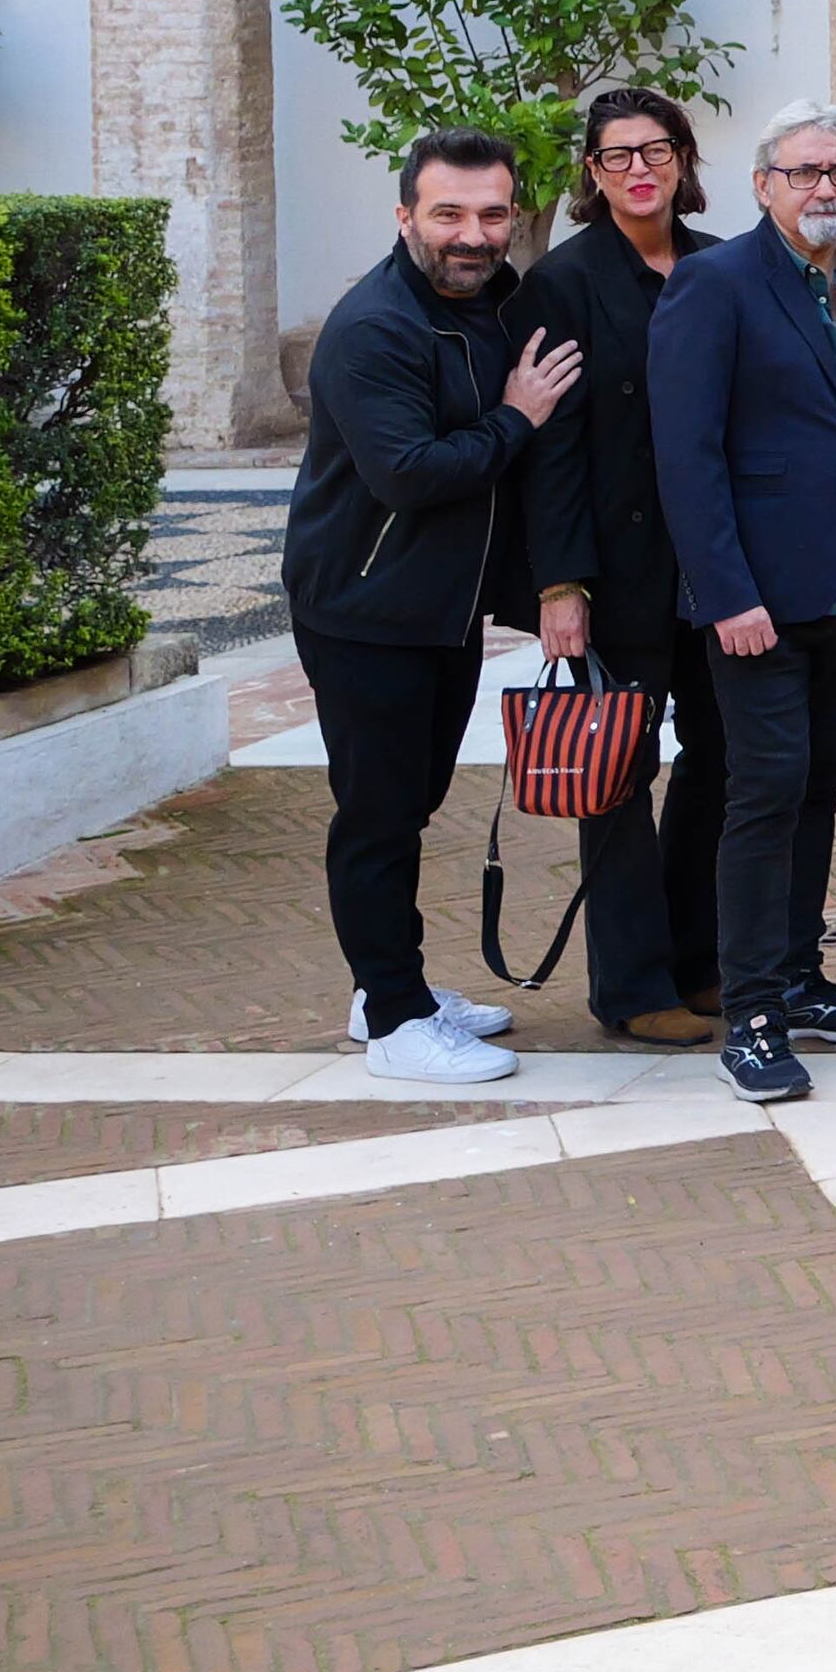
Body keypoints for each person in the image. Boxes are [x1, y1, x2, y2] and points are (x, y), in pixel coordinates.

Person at [649, 101, 836, 1105]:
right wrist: (725, 592)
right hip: (756, 600)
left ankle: (803, 976)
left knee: (818, 786)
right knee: (763, 793)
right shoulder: (712, 285)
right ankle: (752, 1010)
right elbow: (686, 455)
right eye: (806, 170)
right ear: (764, 183)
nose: (827, 188)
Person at [288, 129, 580, 1084]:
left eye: (493, 214)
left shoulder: (498, 303)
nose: (473, 233)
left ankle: (389, 990)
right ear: (405, 215)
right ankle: (393, 1019)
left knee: (409, 807)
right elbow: (409, 475)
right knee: (375, 817)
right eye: (449, 213)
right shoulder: (375, 326)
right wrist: (517, 417)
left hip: (440, 612)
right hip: (365, 609)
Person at [524, 92, 724, 1048]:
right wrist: (561, 584)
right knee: (616, 777)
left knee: (724, 763)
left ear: (684, 160)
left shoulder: (725, 262)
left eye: (656, 151)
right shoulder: (563, 282)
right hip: (622, 567)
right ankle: (634, 988)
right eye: (617, 156)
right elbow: (550, 445)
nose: (639, 170)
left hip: (719, 567)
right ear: (592, 174)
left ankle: (701, 963)